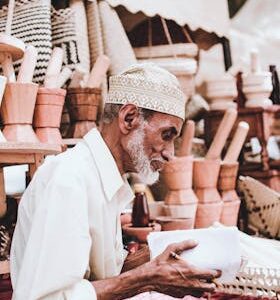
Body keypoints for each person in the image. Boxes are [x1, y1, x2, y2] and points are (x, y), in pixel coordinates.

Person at [10, 64, 220, 300]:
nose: (170, 153)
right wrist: (146, 278)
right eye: (166, 135)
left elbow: (98, 277)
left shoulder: (104, 180)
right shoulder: (68, 180)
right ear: (128, 118)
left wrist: (156, 255)